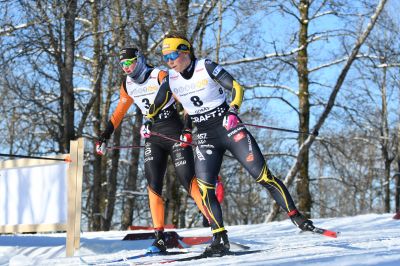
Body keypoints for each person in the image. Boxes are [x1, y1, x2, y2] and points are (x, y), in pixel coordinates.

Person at [144, 33, 315, 256]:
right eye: (166, 56)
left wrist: (233, 109)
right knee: (205, 189)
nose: (170, 60)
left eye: (174, 54)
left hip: (228, 127)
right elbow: (157, 104)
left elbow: (236, 86)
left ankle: (296, 216)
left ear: (186, 52)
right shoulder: (171, 79)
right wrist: (148, 121)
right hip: (205, 134)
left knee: (262, 176)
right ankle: (219, 238)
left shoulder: (205, 66)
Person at [95, 47, 207, 253]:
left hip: (173, 130)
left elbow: (186, 100)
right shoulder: (127, 85)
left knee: (186, 179)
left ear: (140, 59)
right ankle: (159, 238)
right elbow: (119, 112)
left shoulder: (160, 76)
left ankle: (216, 226)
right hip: (152, 135)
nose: (126, 68)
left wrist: (187, 128)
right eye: (122, 65)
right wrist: (104, 135)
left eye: (129, 63)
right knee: (153, 183)